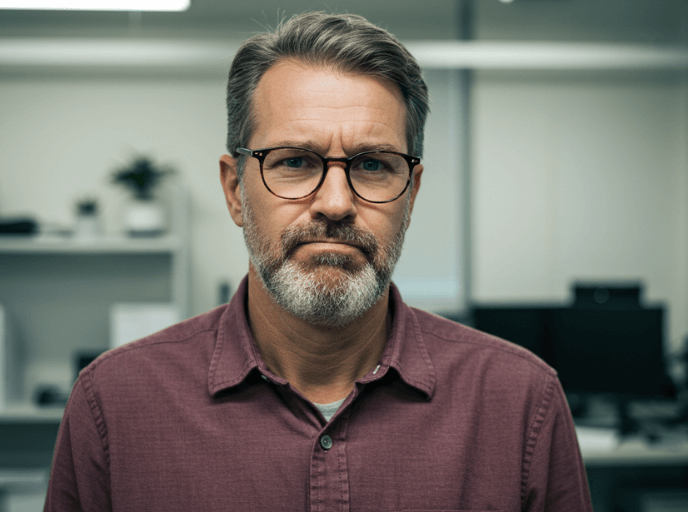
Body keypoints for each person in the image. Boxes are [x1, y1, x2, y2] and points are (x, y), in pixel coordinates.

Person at [45, 11, 593, 512]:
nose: (335, 203)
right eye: (295, 161)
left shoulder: (521, 403)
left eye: (374, 165)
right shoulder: (113, 405)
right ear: (235, 190)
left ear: (411, 192)